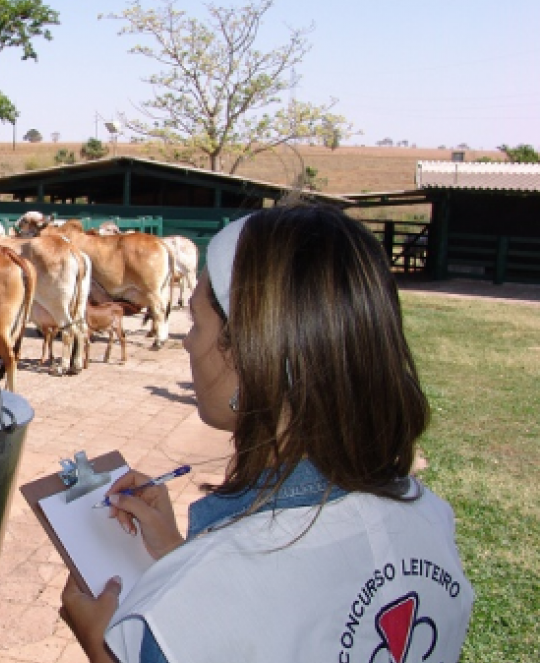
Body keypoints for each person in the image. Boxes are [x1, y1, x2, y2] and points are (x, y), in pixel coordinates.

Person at [59, 205, 473, 662]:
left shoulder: (191, 616)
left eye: (196, 322)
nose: (188, 342)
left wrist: (100, 646)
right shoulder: (432, 519)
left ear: (250, 358)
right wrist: (181, 556)